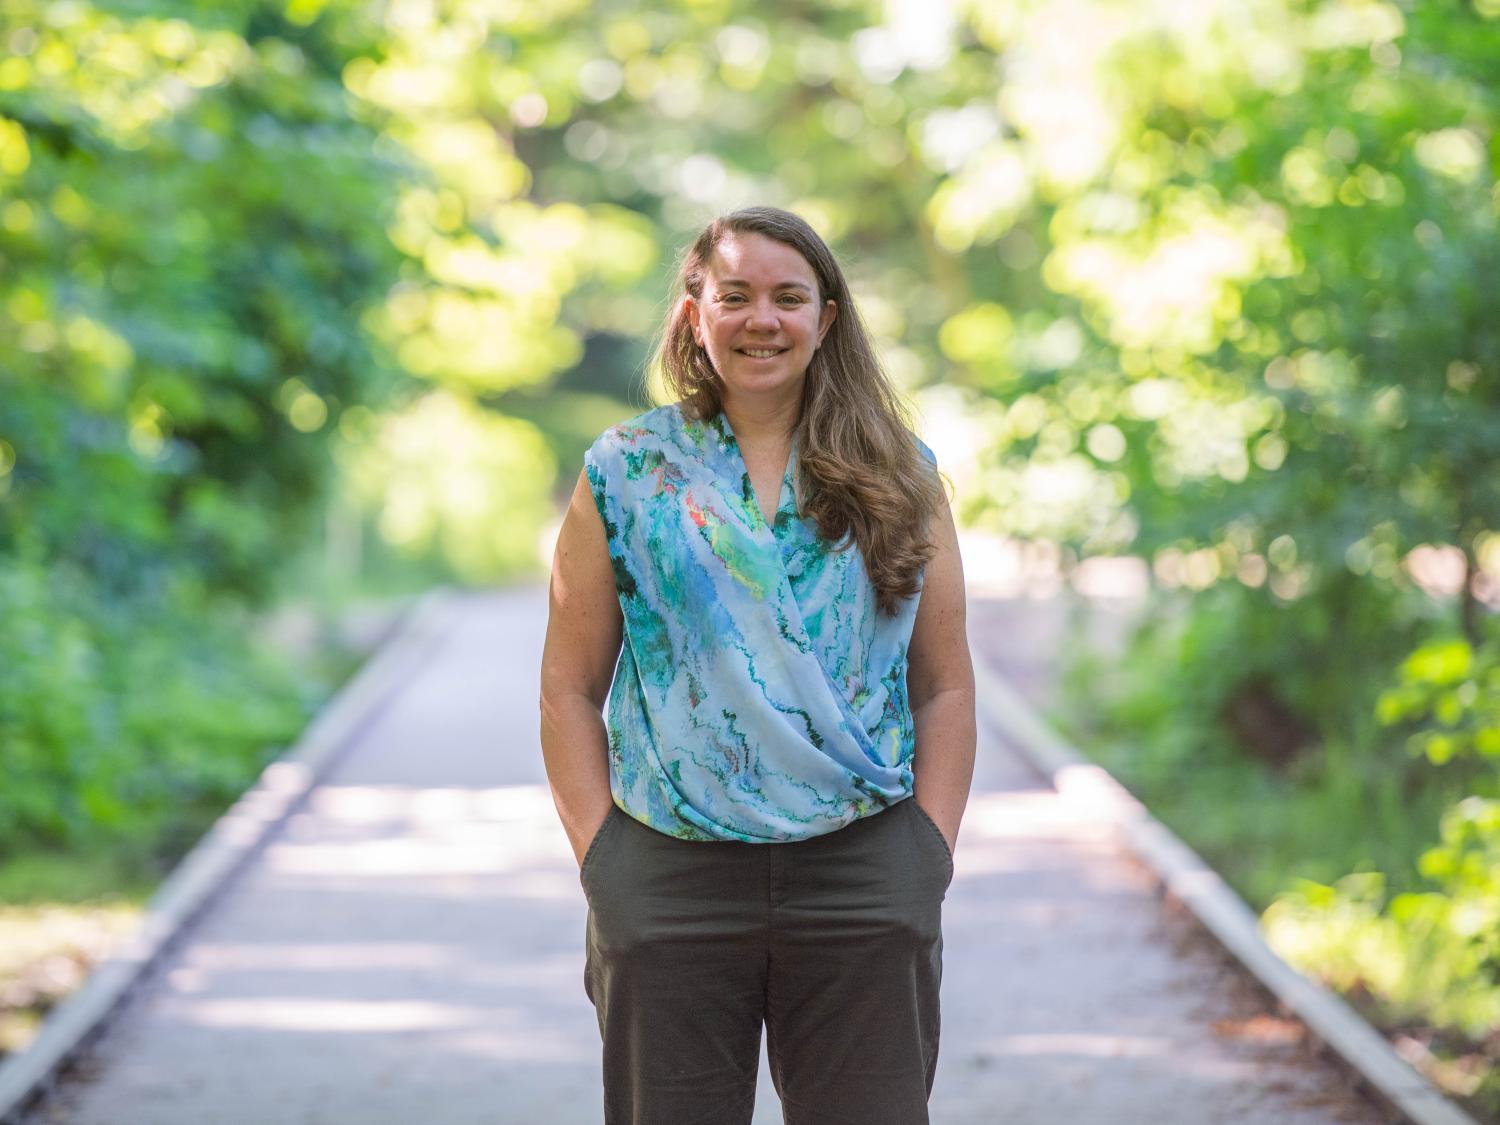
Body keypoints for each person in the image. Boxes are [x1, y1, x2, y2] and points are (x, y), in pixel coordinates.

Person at [539, 204, 976, 1125]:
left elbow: (945, 683)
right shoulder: (627, 470)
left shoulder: (903, 472)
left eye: (788, 297)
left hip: (863, 872)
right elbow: (569, 684)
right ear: (696, 313)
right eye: (735, 296)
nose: (762, 320)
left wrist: (923, 858)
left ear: (826, 317)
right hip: (669, 874)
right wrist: (602, 857)